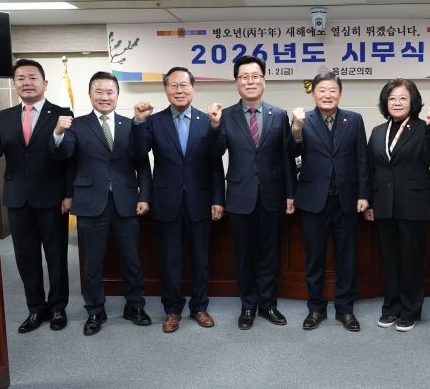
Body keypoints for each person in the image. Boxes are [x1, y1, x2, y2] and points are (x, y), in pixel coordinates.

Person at [51, 71, 152, 336]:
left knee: (132, 259)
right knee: (92, 263)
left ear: (117, 95)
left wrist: (144, 196)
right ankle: (95, 310)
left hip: (126, 202)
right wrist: (59, 132)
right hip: (90, 202)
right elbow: (64, 155)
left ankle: (135, 305)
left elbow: (142, 162)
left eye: (110, 92)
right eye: (99, 91)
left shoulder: (132, 124)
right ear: (90, 95)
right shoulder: (77, 125)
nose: (104, 97)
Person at [0, 59, 73, 333]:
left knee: (56, 256)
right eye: (20, 78)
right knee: (25, 257)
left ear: (45, 83)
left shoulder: (62, 113)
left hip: (53, 198)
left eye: (32, 77)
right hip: (17, 198)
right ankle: (36, 309)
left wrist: (69, 194)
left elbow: (69, 158)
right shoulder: (4, 116)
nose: (27, 82)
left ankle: (58, 308)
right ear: (15, 84)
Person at [130, 67, 225, 333]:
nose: (179, 90)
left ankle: (199, 306)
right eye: (173, 85)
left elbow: (216, 159)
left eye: (184, 85)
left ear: (193, 88)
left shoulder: (207, 120)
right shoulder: (153, 120)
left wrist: (218, 198)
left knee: (200, 258)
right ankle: (172, 310)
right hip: (166, 200)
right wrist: (138, 122)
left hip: (199, 200)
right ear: (166, 90)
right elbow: (138, 152)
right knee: (170, 259)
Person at [207, 56, 295, 330]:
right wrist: (214, 126)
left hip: (272, 196)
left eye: (255, 76)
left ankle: (268, 304)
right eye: (244, 77)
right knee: (243, 256)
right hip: (239, 196)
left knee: (270, 254)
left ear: (264, 80)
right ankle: (247, 306)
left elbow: (286, 158)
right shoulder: (225, 116)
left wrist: (290, 193)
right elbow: (215, 154)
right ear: (236, 82)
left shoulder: (279, 115)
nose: (250, 81)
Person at [290, 71, 370, 332]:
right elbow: (292, 153)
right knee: (314, 258)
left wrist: (364, 194)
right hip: (313, 200)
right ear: (313, 94)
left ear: (340, 93)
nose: (327, 95)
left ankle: (345, 309)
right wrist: (296, 129)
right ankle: (316, 308)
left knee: (347, 257)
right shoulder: (303, 119)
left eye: (332, 90)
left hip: (346, 200)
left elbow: (362, 159)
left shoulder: (354, 119)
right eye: (322, 90)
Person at [364, 79, 430, 332]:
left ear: (413, 102)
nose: (397, 103)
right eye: (392, 98)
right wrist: (370, 202)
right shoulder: (378, 131)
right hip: (384, 206)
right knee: (390, 261)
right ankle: (391, 308)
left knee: (411, 261)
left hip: (413, 206)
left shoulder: (423, 128)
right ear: (385, 103)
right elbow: (370, 169)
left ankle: (410, 310)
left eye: (402, 98)